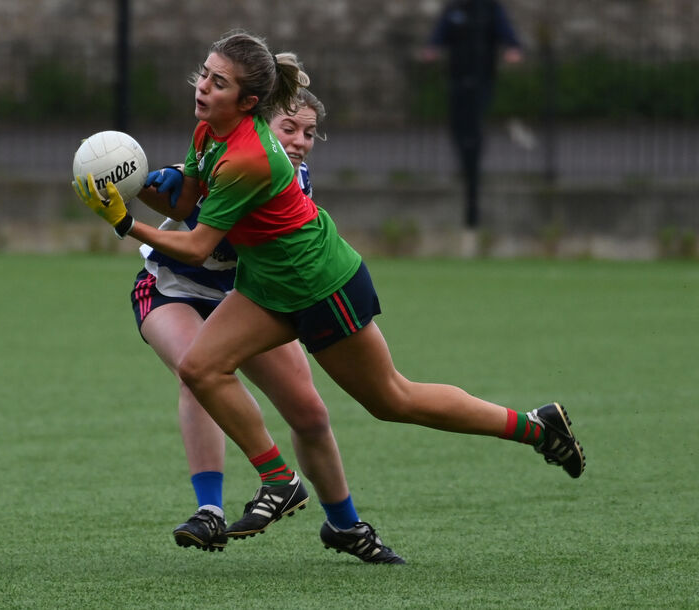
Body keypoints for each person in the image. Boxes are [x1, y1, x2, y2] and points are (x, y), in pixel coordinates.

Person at [74, 31, 584, 555]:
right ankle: (278, 480)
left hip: (321, 285)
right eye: (204, 73)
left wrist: (123, 222)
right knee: (200, 369)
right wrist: (148, 185)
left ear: (248, 103)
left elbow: (198, 245)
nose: (202, 86)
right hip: (267, 286)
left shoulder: (250, 156)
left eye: (217, 82)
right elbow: (185, 206)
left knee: (392, 399)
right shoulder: (209, 130)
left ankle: (535, 428)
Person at [116, 88, 403, 563]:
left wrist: (151, 199)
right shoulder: (224, 153)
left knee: (310, 414)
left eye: (309, 133)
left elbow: (202, 222)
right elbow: (188, 189)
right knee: (198, 372)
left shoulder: (281, 178)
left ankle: (346, 525)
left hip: (250, 298)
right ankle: (209, 509)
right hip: (173, 289)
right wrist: (144, 181)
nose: (298, 141)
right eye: (288, 128)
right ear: (259, 125)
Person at [420, 0, 523, 228]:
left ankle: (473, 168)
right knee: (459, 129)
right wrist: (432, 49)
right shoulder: (454, 10)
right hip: (457, 82)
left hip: (482, 82)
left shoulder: (490, 9)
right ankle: (466, 162)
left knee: (473, 130)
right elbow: (438, 35)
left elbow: (507, 33)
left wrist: (513, 48)